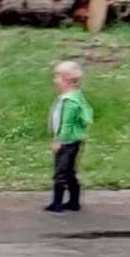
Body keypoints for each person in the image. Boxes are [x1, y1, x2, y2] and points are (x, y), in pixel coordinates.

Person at [45, 59, 95, 213]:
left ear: (66, 80)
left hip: (67, 142)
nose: (54, 80)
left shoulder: (69, 102)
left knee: (60, 172)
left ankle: (57, 203)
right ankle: (74, 202)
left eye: (57, 77)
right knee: (69, 172)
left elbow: (66, 124)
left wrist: (59, 140)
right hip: (74, 140)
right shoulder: (76, 97)